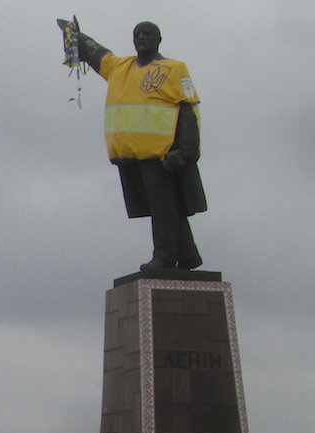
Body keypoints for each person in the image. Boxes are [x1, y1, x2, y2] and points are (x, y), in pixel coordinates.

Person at [57, 19, 207, 271]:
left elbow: (188, 109)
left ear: (159, 39)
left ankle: (165, 257)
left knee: (164, 208)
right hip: (129, 155)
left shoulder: (174, 68)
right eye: (137, 34)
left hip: (161, 154)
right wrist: (75, 36)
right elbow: (97, 53)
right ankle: (188, 253)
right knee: (165, 207)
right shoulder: (120, 67)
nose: (141, 38)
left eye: (147, 34)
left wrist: (186, 150)